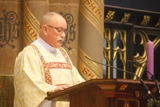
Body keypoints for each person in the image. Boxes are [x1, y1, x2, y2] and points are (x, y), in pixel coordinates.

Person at [14, 12, 85, 107]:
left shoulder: (63, 53)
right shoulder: (29, 54)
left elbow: (77, 81)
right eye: (59, 30)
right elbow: (29, 87)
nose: (63, 35)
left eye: (64, 31)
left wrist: (90, 88)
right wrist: (54, 89)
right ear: (45, 29)